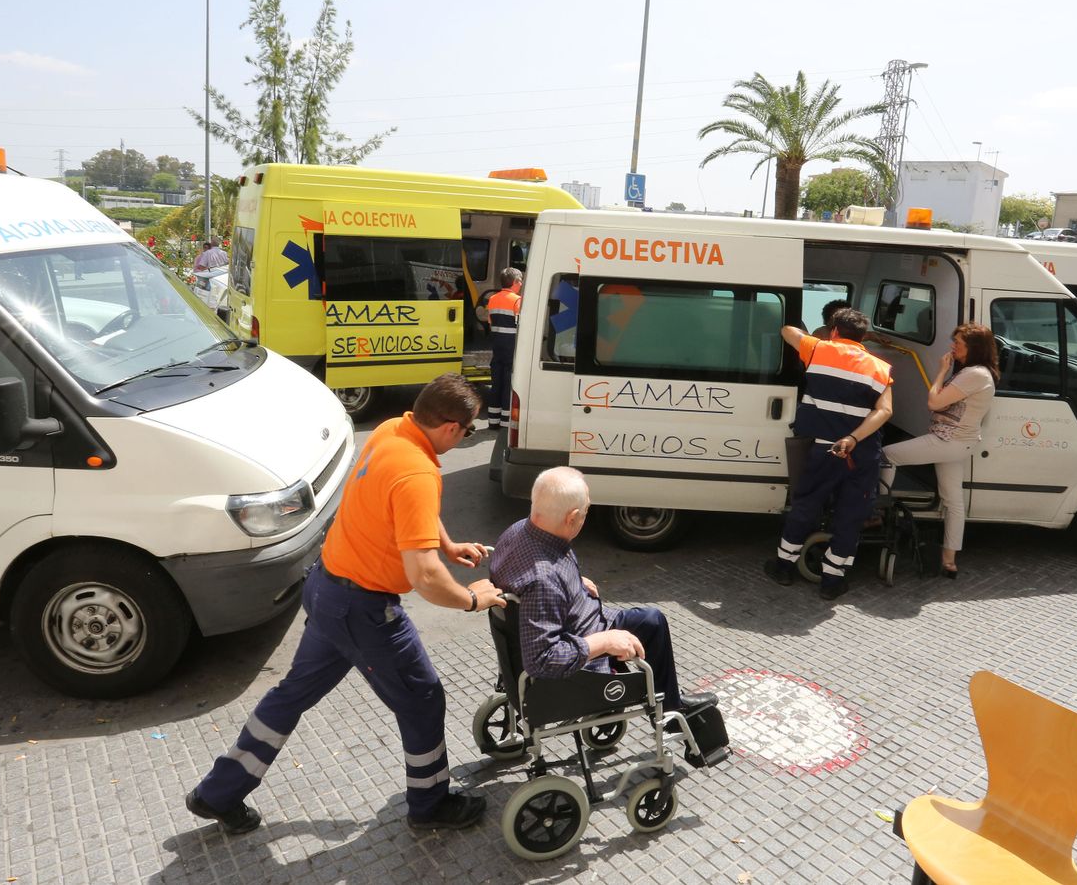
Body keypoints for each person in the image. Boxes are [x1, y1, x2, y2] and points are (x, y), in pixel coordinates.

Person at [187, 374, 506, 835]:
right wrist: (472, 598)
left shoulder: (392, 430)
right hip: (365, 610)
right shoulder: (420, 472)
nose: (465, 438)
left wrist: (448, 543)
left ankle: (216, 794)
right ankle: (431, 804)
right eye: (469, 431)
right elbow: (425, 576)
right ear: (453, 428)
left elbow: (399, 508)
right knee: (422, 700)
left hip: (327, 586)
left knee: (290, 695)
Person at [489, 467, 716, 714]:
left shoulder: (519, 531)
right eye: (586, 512)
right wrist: (604, 642)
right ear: (571, 517)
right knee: (653, 623)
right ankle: (672, 711)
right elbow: (543, 661)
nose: (586, 518)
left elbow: (530, 581)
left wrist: (573, 580)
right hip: (578, 654)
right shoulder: (545, 580)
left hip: (568, 620)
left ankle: (670, 699)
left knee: (651, 621)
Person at [764, 307, 894, 600]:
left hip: (823, 448)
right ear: (863, 337)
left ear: (834, 331)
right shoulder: (880, 368)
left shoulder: (819, 349)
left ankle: (784, 567)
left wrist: (821, 338)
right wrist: (853, 437)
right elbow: (885, 411)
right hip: (860, 452)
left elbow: (788, 331)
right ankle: (832, 581)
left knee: (807, 504)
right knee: (851, 514)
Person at [879, 323, 999, 578]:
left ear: (974, 348)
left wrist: (941, 371)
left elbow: (934, 401)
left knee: (888, 454)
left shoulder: (974, 374)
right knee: (953, 499)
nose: (953, 347)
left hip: (948, 441)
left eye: (959, 344)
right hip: (960, 443)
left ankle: (879, 512)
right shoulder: (980, 372)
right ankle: (949, 560)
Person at [485, 267, 524, 429]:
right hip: (511, 348)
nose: (521, 284)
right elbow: (521, 325)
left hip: (497, 347)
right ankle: (505, 422)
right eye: (520, 280)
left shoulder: (492, 299)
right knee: (508, 384)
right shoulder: (517, 301)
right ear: (514, 282)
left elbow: (490, 322)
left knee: (496, 383)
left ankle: (493, 421)